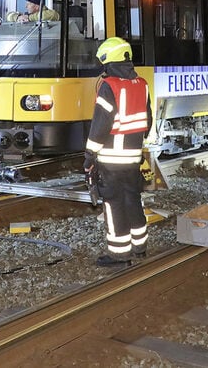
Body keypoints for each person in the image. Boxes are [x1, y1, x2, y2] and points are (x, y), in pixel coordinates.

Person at [84, 37, 152, 267]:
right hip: (133, 158)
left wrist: (89, 156)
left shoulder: (109, 86)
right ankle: (140, 247)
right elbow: (148, 121)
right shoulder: (142, 84)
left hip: (111, 159)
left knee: (113, 204)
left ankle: (119, 253)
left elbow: (100, 126)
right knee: (133, 198)